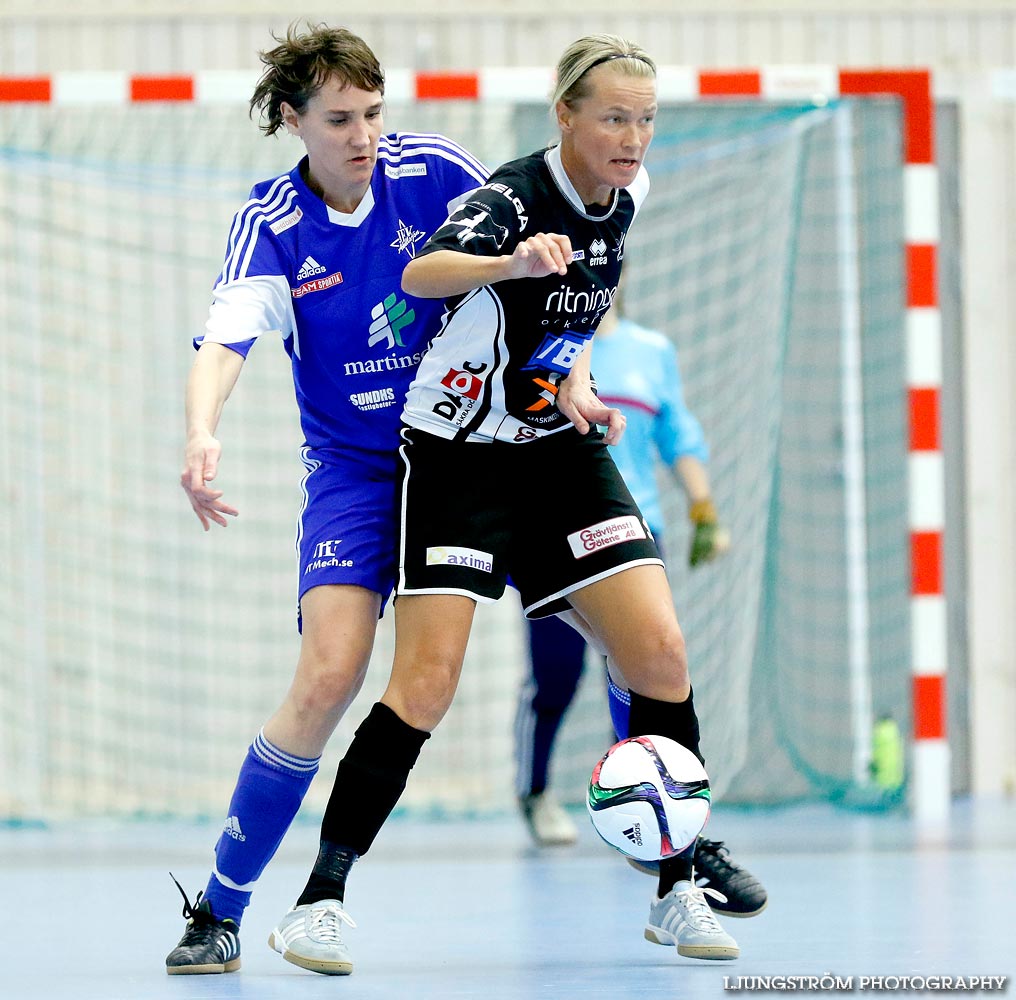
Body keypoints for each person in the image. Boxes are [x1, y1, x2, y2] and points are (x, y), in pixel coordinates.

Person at [288, 33, 741, 970]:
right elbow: (424, 276)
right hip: (454, 457)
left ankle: (676, 887)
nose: (632, 137)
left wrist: (571, 379)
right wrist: (512, 264)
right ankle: (318, 900)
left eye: (646, 119)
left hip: (553, 450)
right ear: (566, 116)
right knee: (426, 684)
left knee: (658, 651)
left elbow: (563, 323)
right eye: (613, 117)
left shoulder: (632, 194)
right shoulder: (510, 198)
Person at [165, 23, 487, 976]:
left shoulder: (435, 176)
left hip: (463, 459)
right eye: (340, 118)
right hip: (352, 471)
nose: (363, 135)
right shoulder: (271, 222)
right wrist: (200, 431)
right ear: (293, 122)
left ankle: (676, 855)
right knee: (326, 678)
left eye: (374, 113)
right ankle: (221, 908)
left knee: (607, 609)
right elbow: (225, 341)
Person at [513, 296, 767, 921]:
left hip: (634, 526)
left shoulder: (653, 352)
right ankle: (536, 791)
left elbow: (679, 431)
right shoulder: (541, 336)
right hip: (555, 529)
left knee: (645, 673)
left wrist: (703, 507)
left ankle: (654, 822)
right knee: (556, 677)